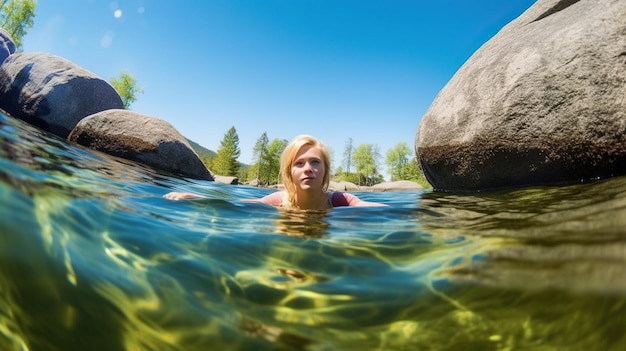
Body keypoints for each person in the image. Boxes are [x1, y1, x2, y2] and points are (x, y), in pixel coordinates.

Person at [163, 134, 386, 210]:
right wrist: (194, 197)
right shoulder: (280, 200)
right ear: (289, 173)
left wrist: (418, 214)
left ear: (325, 170)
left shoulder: (341, 200)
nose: (308, 168)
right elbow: (239, 205)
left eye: (315, 162)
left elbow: (374, 208)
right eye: (299, 163)